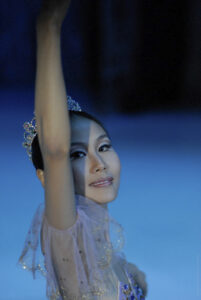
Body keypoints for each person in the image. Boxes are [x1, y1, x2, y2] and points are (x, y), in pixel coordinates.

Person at [18, 0, 148, 299]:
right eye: (77, 154)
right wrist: (49, 25)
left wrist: (137, 280)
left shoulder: (105, 244)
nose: (99, 163)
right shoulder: (67, 233)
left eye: (104, 146)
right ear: (45, 177)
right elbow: (54, 149)